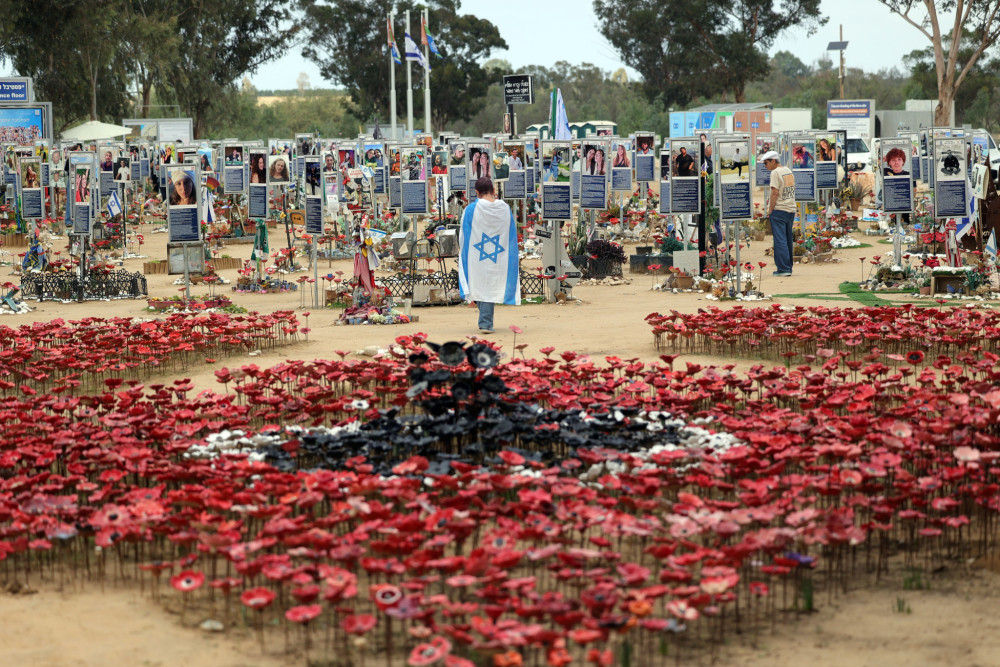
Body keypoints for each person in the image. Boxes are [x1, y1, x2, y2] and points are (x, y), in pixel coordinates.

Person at [458, 176, 520, 334]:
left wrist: (465, 251)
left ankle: (485, 322)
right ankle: (485, 319)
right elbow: (510, 231)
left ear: (477, 192)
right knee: (487, 284)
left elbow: (464, 234)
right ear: (493, 190)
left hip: (477, 253)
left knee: (481, 284)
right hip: (499, 253)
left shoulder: (471, 210)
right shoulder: (504, 208)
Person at [763, 150, 795, 277]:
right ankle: (788, 266)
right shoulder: (788, 170)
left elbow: (775, 192)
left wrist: (770, 209)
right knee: (787, 239)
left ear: (773, 161)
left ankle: (783, 268)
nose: (765, 166)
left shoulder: (775, 172)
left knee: (780, 240)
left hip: (780, 209)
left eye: (766, 163)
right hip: (790, 209)